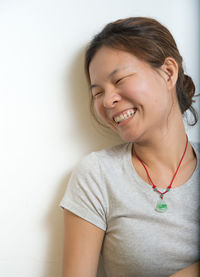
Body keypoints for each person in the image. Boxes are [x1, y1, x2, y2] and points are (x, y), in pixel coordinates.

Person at [60, 17, 200, 277]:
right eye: (97, 93)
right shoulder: (98, 175)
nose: (109, 100)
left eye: (120, 80)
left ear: (169, 72)